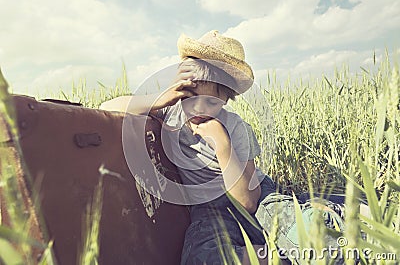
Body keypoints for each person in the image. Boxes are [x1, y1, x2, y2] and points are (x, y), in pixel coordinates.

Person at [100, 30, 347, 265]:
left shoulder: (236, 128)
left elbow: (248, 202)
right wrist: (159, 99)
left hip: (258, 196)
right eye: (190, 97)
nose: (198, 108)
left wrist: (223, 145)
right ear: (179, 90)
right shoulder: (169, 112)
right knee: (201, 257)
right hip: (209, 209)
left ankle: (315, 219)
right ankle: (276, 253)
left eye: (211, 102)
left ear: (227, 100)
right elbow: (107, 106)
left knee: (308, 235)